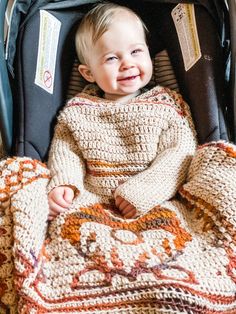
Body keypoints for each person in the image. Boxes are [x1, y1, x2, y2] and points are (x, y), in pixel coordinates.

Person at [47, 2, 197, 221]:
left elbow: (179, 154)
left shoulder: (167, 105)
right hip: (91, 200)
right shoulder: (77, 111)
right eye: (111, 58)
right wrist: (65, 183)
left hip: (156, 202)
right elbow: (66, 151)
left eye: (136, 51)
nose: (127, 63)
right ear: (88, 73)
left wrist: (143, 192)